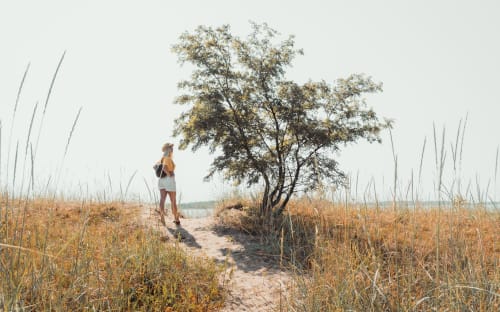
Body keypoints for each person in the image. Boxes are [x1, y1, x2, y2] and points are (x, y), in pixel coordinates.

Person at [156, 142, 180, 226]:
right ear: (167, 149)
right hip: (169, 180)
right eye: (171, 147)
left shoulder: (161, 159)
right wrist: (170, 174)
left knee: (162, 199)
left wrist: (163, 173)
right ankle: (176, 219)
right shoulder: (167, 158)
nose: (172, 149)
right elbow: (164, 167)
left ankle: (162, 219)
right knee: (173, 200)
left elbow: (154, 167)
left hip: (161, 180)